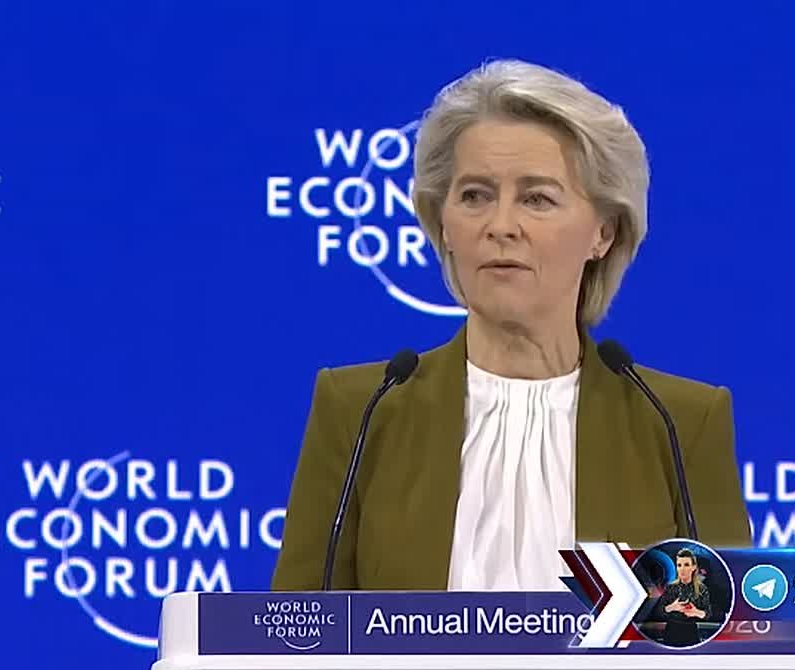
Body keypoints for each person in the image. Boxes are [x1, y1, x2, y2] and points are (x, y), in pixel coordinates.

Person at [272, 59, 751, 592]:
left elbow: (730, 631)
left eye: (536, 198)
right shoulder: (362, 410)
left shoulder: (678, 422)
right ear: (443, 223)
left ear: (603, 232)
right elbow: (296, 627)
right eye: (474, 196)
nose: (500, 226)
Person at [648, 549, 712, 647]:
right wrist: (672, 607)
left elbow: (708, 614)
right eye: (679, 565)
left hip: (691, 633)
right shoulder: (670, 588)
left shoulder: (702, 589)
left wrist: (696, 612)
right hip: (671, 633)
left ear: (693, 567)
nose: (682, 569)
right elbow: (658, 612)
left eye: (686, 565)